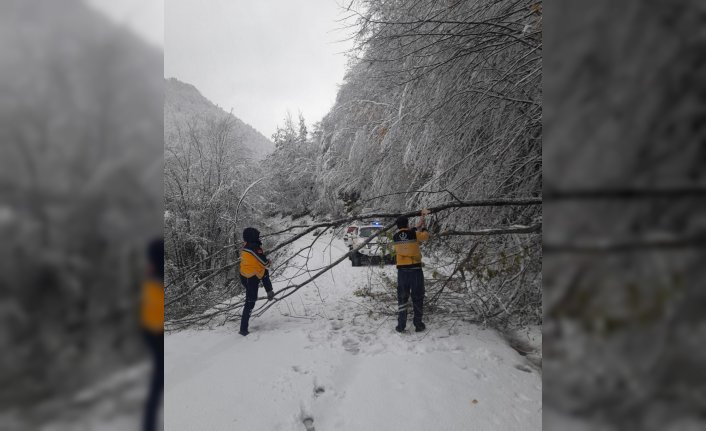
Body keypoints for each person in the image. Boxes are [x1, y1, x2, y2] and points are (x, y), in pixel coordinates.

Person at [391, 209, 430, 332]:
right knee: (417, 297)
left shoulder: (395, 237)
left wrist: (416, 226)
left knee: (402, 297)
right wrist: (423, 228)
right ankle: (418, 324)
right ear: (407, 224)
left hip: (402, 272)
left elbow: (407, 234)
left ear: (398, 226)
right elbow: (425, 237)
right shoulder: (414, 234)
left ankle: (401, 325)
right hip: (415, 270)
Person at [140, 238, 164, 431]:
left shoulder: (152, 275)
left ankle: (148, 422)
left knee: (157, 381)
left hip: (150, 331)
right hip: (155, 333)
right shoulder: (156, 279)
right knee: (157, 382)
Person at [239, 227, 275, 336]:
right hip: (250, 277)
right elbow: (264, 263)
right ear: (253, 237)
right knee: (250, 302)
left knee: (264, 273)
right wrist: (268, 261)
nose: (259, 237)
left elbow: (258, 262)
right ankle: (243, 329)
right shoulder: (253, 247)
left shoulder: (247, 246)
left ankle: (269, 291)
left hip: (245, 274)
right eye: (257, 235)